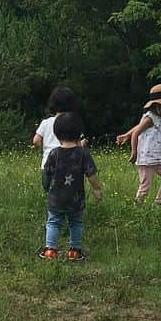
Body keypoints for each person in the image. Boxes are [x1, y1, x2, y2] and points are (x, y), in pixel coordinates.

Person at [39, 111, 102, 261]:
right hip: (76, 198)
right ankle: (74, 251)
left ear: (57, 133)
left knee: (53, 222)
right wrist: (97, 189)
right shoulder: (83, 153)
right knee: (76, 223)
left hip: (56, 197)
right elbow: (91, 174)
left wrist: (47, 188)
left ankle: (50, 251)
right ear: (78, 133)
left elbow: (47, 174)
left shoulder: (54, 153)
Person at [116, 83, 161, 205]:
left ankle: (158, 202)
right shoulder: (150, 118)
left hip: (159, 158)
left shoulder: (159, 117)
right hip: (146, 159)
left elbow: (137, 128)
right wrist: (134, 152)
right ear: (158, 104)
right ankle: (137, 207)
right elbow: (137, 133)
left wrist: (127, 134)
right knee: (145, 186)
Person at [33, 86, 86, 191]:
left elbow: (36, 141)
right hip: (68, 167)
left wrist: (45, 149)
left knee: (51, 194)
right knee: (68, 194)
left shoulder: (46, 122)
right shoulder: (72, 123)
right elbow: (79, 145)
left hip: (47, 166)